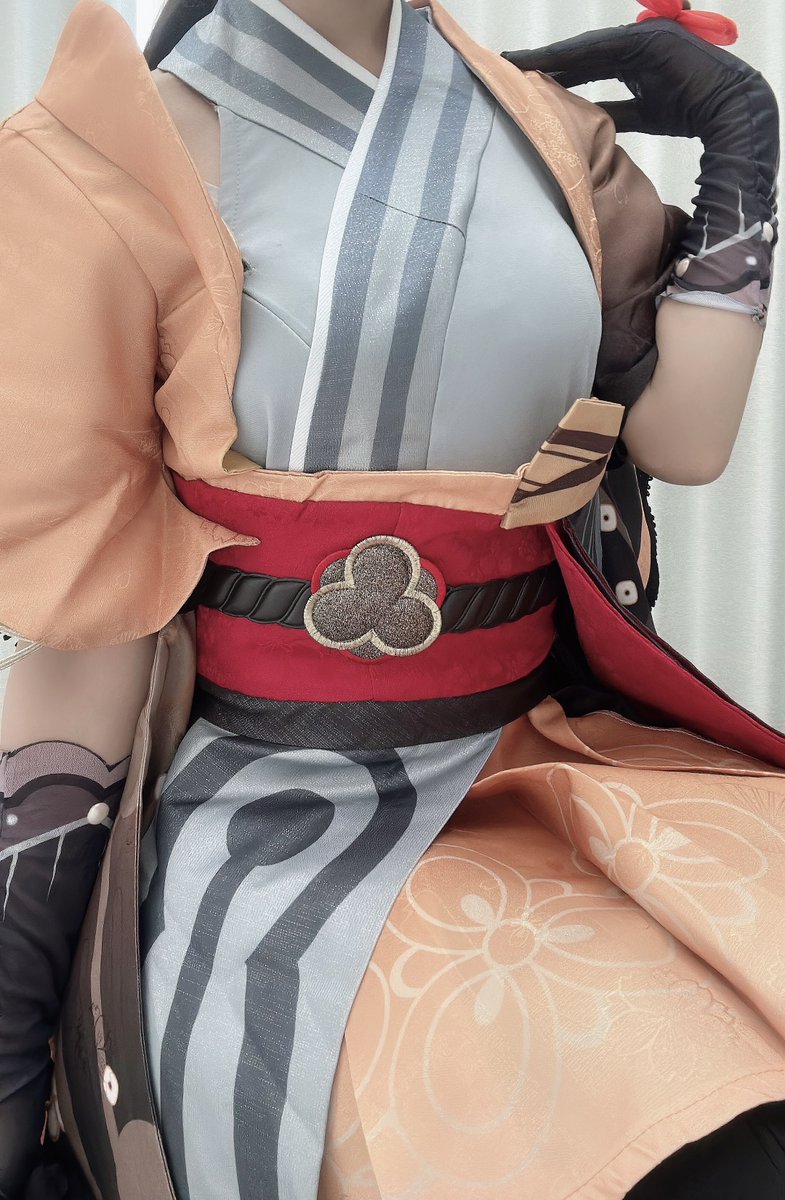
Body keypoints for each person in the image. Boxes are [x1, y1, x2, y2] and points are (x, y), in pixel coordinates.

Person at [0, 0, 782, 1196]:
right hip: (277, 819)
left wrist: (740, 144)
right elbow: (92, 632)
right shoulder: (105, 151)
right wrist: (21, 1029)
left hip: (530, 761)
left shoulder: (541, 126)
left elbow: (681, 433)